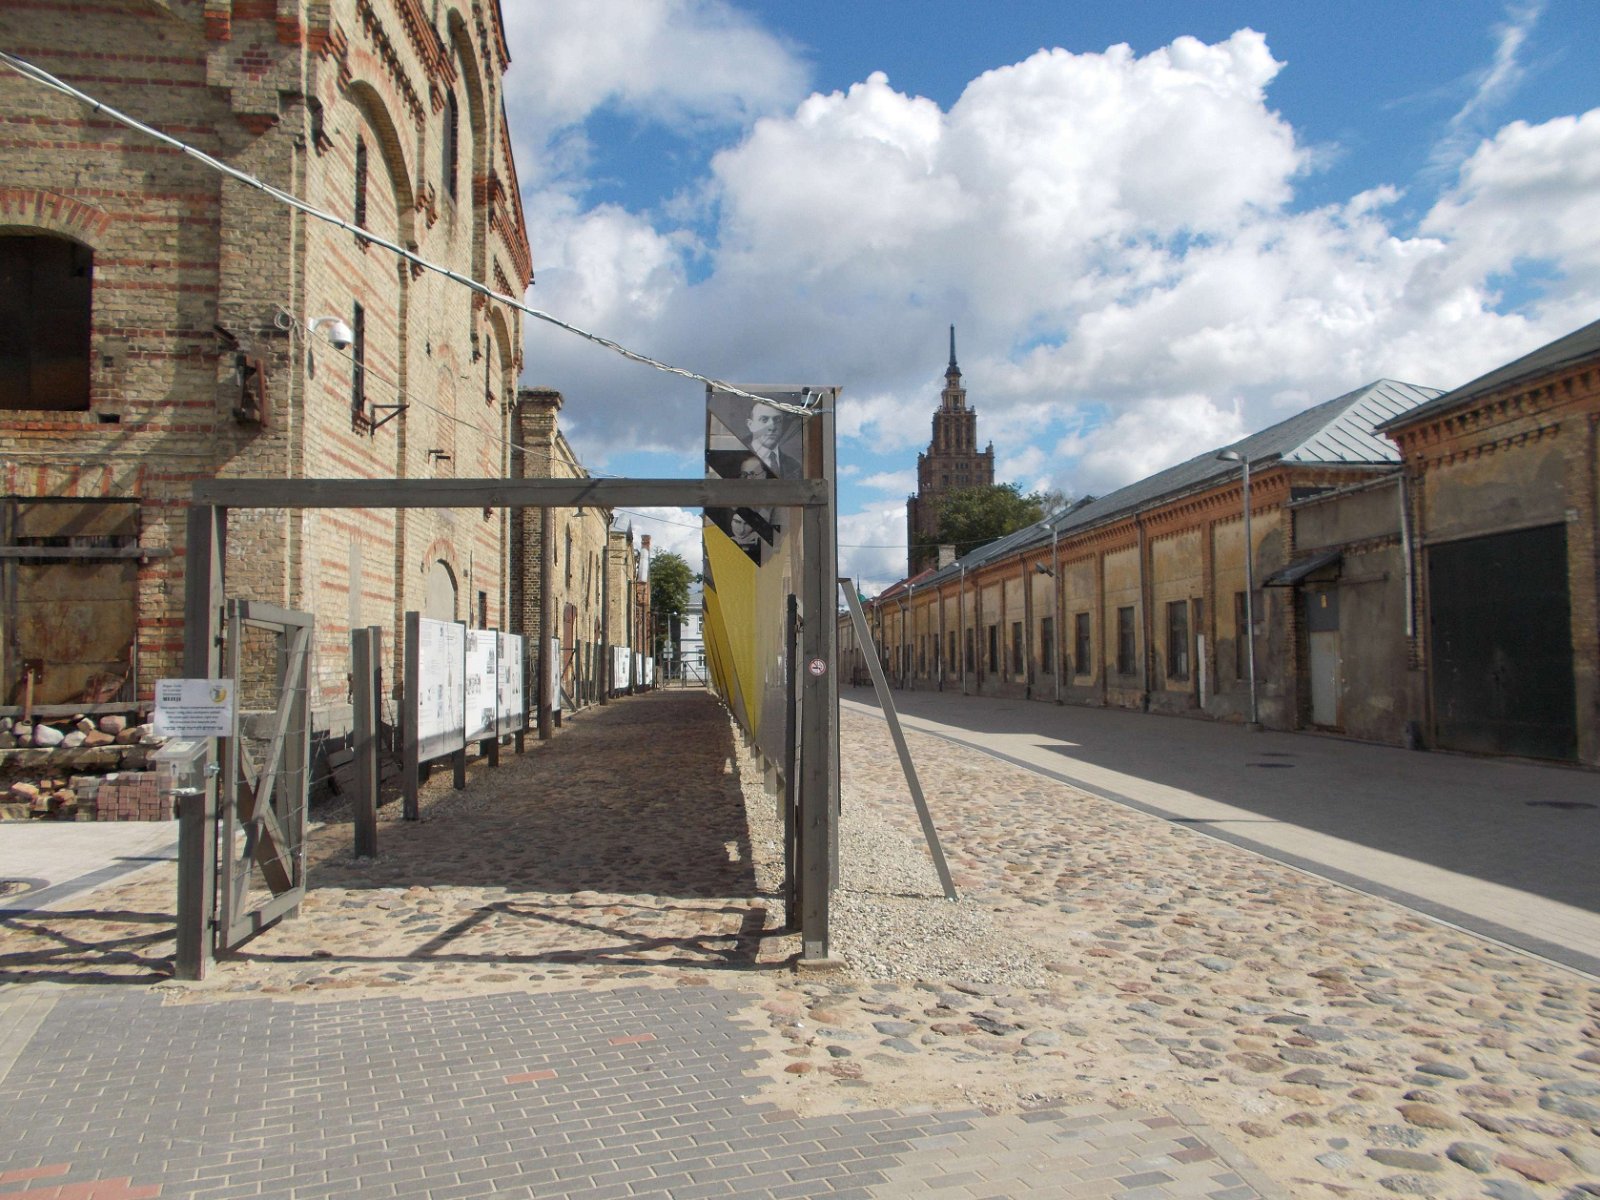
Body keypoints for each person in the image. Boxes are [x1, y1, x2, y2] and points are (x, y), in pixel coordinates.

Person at [746, 403, 799, 477]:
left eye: (777, 420)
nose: (772, 427)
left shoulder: (795, 466)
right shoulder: (739, 460)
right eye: (764, 420)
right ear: (750, 425)